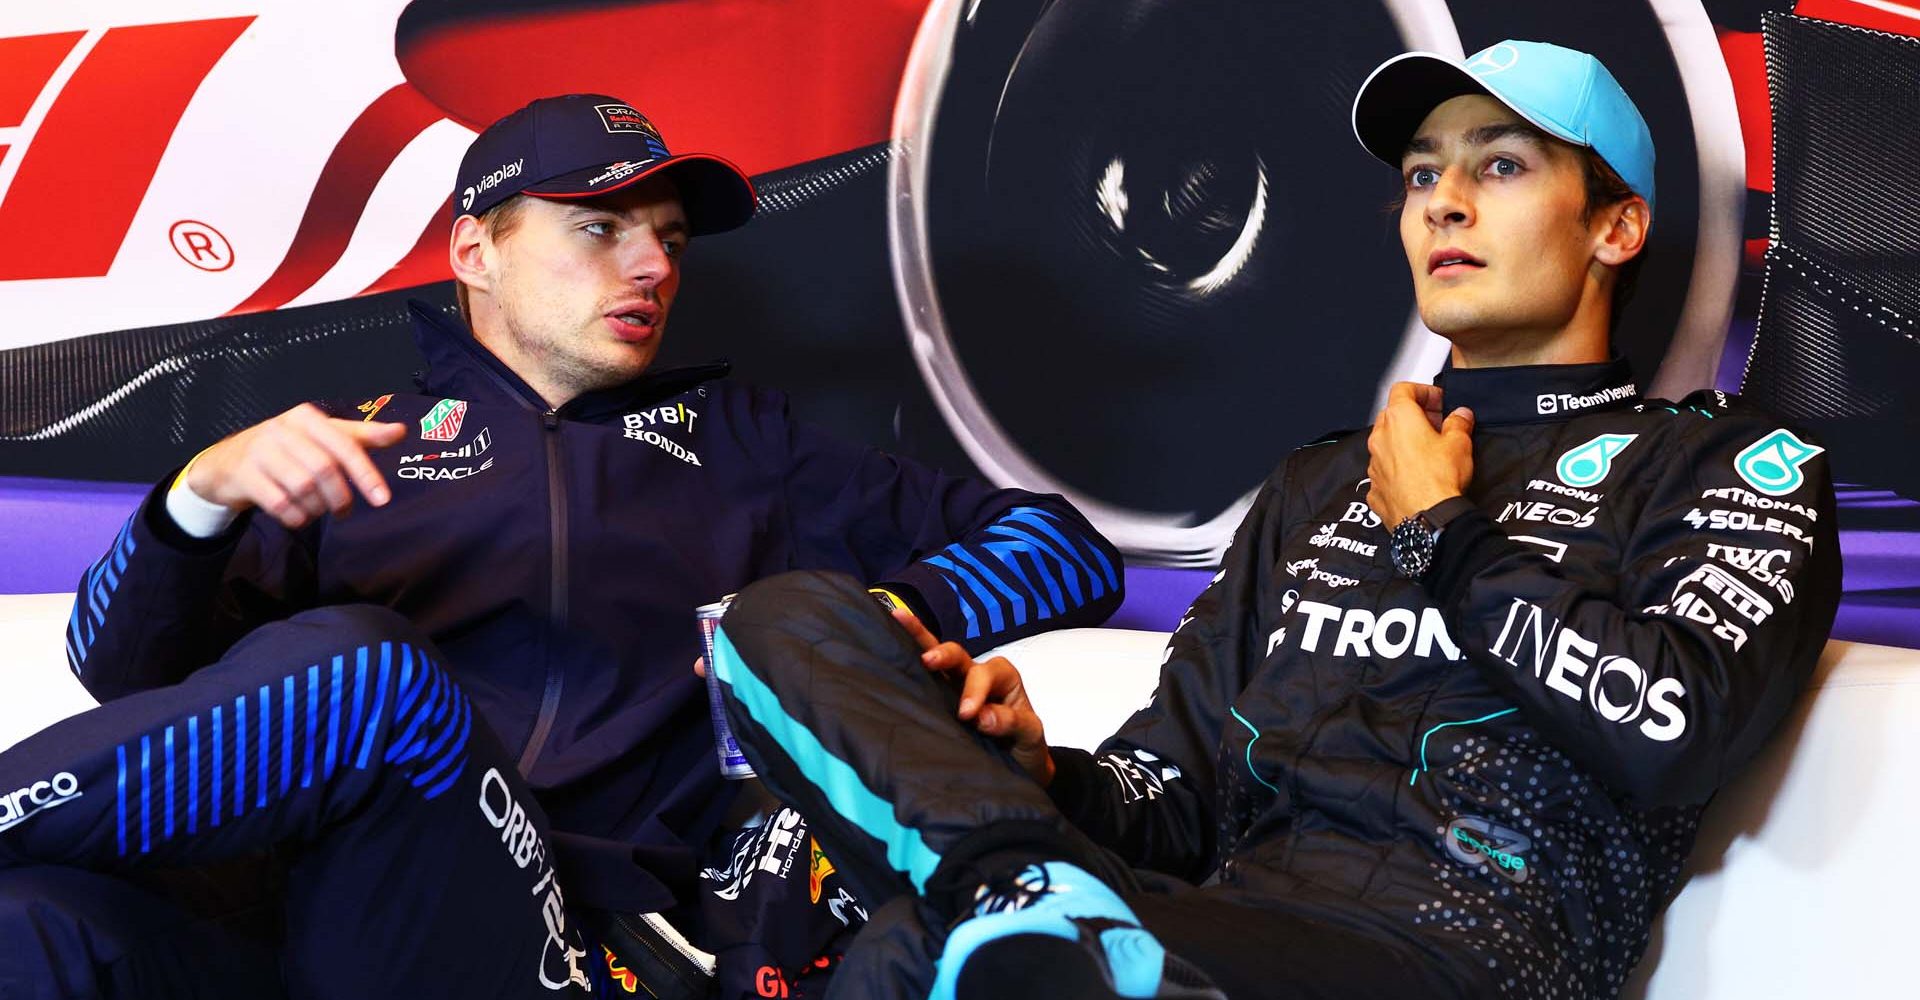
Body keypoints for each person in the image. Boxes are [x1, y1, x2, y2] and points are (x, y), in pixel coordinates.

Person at [706, 40, 1842, 1000]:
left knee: (916, 951)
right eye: (1419, 175)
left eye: (1500, 165)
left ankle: (1016, 895)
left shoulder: (1728, 464)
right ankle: (1013, 871)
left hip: (1454, 963)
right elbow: (1170, 794)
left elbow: (1674, 727)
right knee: (789, 619)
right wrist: (1044, 775)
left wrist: (1438, 530)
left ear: (1616, 227)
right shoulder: (1312, 486)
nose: (1441, 200)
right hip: (1209, 932)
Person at [0, 94, 1124, 998]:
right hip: (302, 923)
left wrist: (867, 625)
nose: (652, 269)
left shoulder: (744, 444)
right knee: (34, 926)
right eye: (599, 228)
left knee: (378, 677)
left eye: (669, 241)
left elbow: (1062, 545)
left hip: (564, 936)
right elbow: (120, 673)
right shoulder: (348, 443)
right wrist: (199, 494)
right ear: (476, 251)